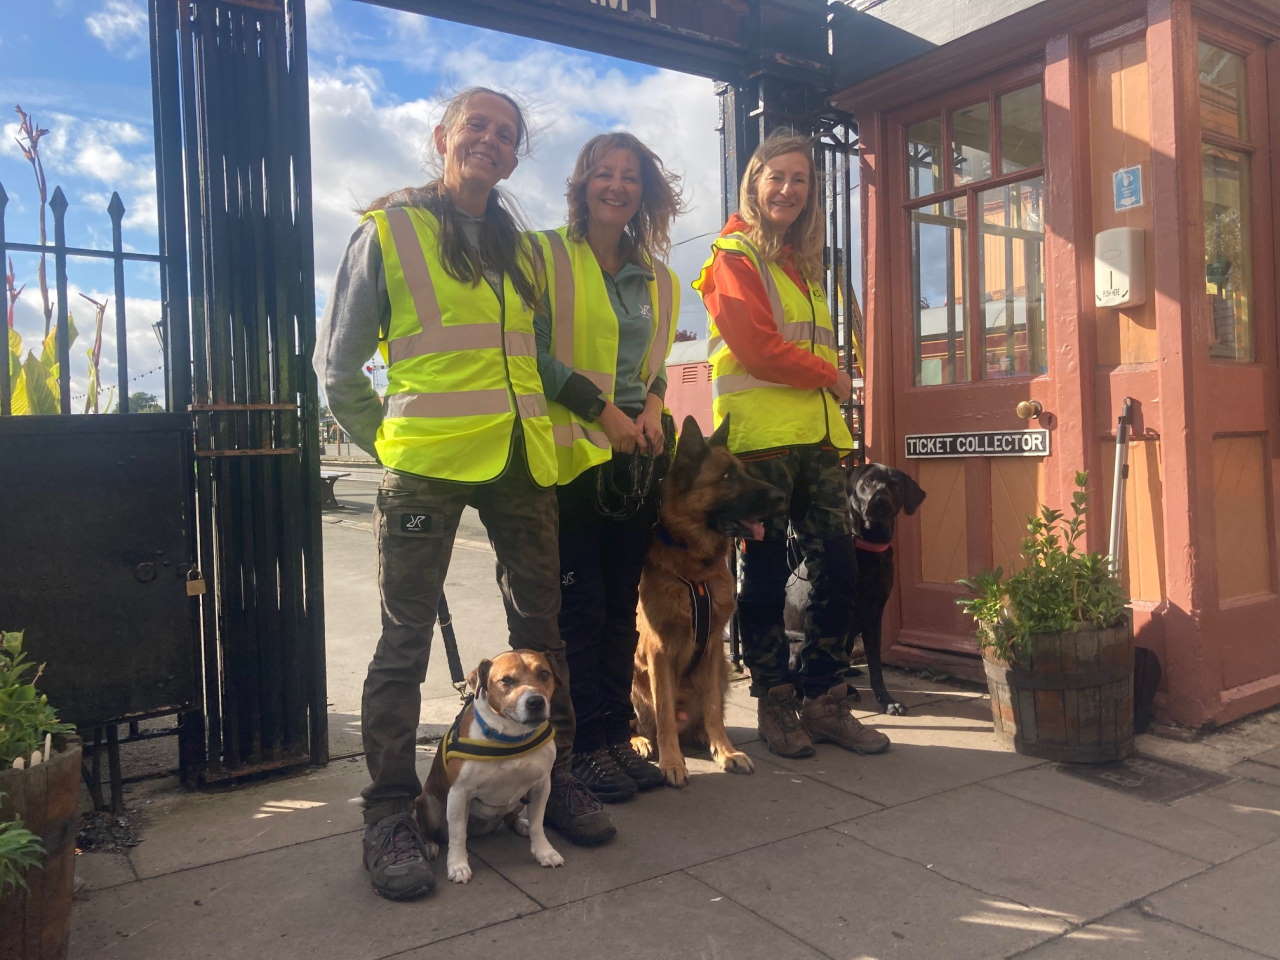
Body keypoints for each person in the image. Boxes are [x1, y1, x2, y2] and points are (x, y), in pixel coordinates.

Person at [315, 87, 614, 902]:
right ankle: (388, 814)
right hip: (427, 462)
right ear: (442, 136)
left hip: (522, 459)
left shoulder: (519, 248)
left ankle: (557, 776)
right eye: (476, 125)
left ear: (516, 155)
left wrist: (601, 409)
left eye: (506, 133)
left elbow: (536, 359)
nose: (490, 140)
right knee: (403, 641)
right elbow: (339, 370)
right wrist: (394, 446)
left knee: (542, 630)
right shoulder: (388, 231)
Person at [693, 131, 891, 760]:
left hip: (815, 443)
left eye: (800, 180)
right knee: (766, 578)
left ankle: (825, 699)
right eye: (776, 176)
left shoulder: (797, 265)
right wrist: (828, 375)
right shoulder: (733, 255)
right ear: (754, 182)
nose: (788, 189)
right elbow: (755, 350)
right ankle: (777, 701)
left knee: (840, 570)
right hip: (758, 450)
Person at [532, 132, 683, 802]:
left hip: (633, 463)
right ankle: (580, 745)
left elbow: (653, 367)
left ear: (643, 192)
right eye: (604, 173)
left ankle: (615, 736)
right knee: (581, 608)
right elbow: (527, 352)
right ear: (581, 183)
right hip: (569, 458)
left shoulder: (660, 277)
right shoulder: (543, 256)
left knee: (622, 606)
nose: (616, 186)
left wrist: (651, 404)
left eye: (630, 176)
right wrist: (602, 411)